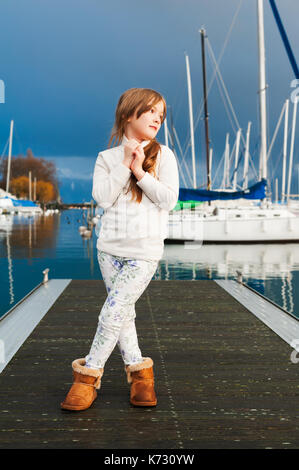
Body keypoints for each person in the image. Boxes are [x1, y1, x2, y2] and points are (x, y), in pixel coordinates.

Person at [61, 88, 179, 411]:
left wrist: (141, 172)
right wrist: (126, 163)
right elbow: (102, 197)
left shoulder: (164, 156)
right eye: (152, 111)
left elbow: (169, 200)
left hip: (144, 253)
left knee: (112, 311)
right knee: (123, 314)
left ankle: (88, 376)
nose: (158, 118)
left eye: (161, 114)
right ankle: (141, 374)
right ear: (129, 114)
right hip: (109, 251)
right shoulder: (106, 158)